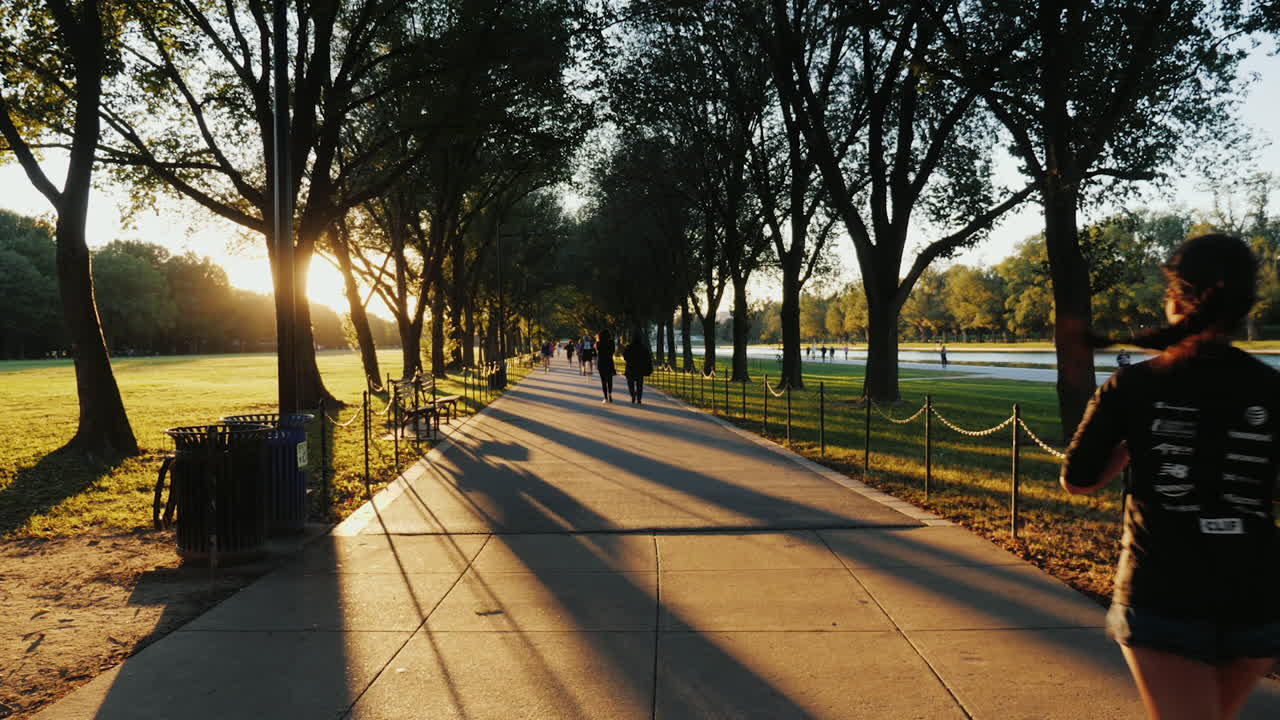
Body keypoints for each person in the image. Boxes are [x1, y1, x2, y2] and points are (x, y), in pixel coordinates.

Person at [1060, 233, 1280, 720]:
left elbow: (1078, 480)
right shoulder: (1272, 389)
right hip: (1257, 594)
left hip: (1164, 590)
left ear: (1178, 299)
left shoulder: (1133, 386)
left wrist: (1134, 445)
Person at [622, 328, 654, 404]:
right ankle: (639, 398)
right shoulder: (643, 347)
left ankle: (633, 395)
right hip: (640, 369)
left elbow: (625, 356)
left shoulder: (629, 347)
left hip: (630, 368)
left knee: (631, 384)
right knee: (640, 384)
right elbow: (648, 358)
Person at [595, 329, 616, 403]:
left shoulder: (598, 343)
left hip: (601, 363)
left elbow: (597, 351)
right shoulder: (611, 342)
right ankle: (610, 394)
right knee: (610, 380)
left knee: (603, 381)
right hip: (609, 362)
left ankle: (605, 398)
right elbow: (613, 351)